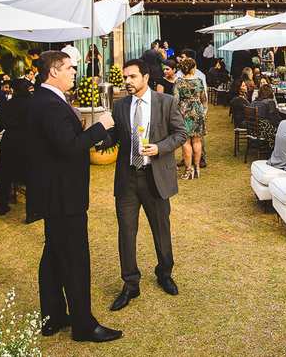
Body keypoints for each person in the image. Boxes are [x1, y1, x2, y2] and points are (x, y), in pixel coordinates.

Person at [28, 50, 120, 342]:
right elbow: (69, 146)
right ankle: (84, 324)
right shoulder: (49, 104)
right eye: (70, 68)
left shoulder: (46, 100)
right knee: (76, 259)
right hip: (64, 196)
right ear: (53, 71)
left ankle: (52, 316)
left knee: (54, 256)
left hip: (54, 194)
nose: (74, 72)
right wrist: (100, 126)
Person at [106, 59, 187, 311]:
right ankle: (130, 284)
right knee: (126, 233)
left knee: (161, 229)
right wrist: (97, 130)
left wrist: (159, 148)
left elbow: (180, 134)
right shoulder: (119, 106)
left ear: (145, 77)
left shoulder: (166, 102)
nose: (127, 82)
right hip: (127, 179)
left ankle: (164, 273)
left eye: (131, 77)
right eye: (125, 77)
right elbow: (113, 138)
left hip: (155, 178)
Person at [0, 79, 33, 217]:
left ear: (14, 90)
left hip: (10, 141)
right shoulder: (33, 104)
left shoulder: (6, 105)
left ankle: (3, 205)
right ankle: (31, 211)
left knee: (5, 175)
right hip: (28, 141)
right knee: (30, 176)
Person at [175, 58, 207, 180]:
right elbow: (204, 99)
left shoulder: (179, 82)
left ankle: (189, 170)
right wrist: (203, 111)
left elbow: (176, 100)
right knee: (197, 141)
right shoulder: (199, 81)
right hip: (197, 111)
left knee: (186, 142)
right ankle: (197, 168)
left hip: (184, 112)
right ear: (193, 68)